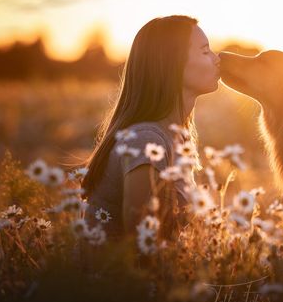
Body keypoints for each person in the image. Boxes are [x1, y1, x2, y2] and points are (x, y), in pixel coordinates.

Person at [81, 15, 221, 242]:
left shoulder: (174, 137)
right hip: (112, 277)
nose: (217, 59)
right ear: (172, 63)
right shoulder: (147, 141)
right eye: (205, 51)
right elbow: (142, 244)